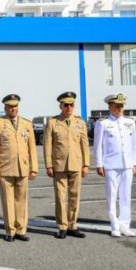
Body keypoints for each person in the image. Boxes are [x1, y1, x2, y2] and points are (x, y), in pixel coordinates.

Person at [0, 94, 38, 242]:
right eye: (10, 107)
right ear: (5, 108)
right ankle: (10, 231)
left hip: (23, 168)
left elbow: (32, 148)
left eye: (15, 106)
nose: (13, 109)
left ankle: (21, 229)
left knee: (21, 200)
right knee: (8, 201)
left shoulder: (26, 124)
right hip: (5, 169)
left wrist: (34, 167)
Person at [43, 92, 90, 240]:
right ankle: (62, 226)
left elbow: (85, 144)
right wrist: (49, 165)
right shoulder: (53, 122)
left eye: (71, 105)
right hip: (59, 165)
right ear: (61, 106)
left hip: (76, 164)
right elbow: (47, 145)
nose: (69, 107)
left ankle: (72, 225)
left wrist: (86, 164)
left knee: (75, 196)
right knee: (60, 197)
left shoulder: (79, 122)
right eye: (66, 105)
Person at [93, 94, 136, 237]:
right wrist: (99, 164)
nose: (119, 108)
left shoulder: (130, 122)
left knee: (126, 196)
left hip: (127, 165)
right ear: (110, 107)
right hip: (111, 165)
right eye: (116, 106)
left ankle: (125, 225)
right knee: (112, 196)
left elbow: (133, 145)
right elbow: (98, 146)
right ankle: (115, 226)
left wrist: (134, 163)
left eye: (121, 106)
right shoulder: (103, 123)